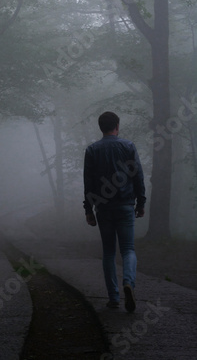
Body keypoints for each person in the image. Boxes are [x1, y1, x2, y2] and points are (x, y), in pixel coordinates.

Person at [83, 111, 146, 312]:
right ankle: (128, 282)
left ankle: (113, 298)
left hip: (103, 208)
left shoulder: (92, 150)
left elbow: (89, 181)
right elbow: (137, 175)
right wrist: (141, 202)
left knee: (109, 252)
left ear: (101, 127)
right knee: (128, 249)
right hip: (125, 205)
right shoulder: (128, 146)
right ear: (117, 126)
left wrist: (89, 209)